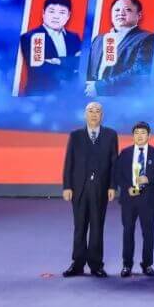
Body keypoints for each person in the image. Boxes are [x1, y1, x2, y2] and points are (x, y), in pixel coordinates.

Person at [61, 102, 118, 278]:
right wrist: (67, 186)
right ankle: (77, 264)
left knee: (97, 227)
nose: (94, 114)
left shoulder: (110, 135)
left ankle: (96, 264)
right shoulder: (75, 136)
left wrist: (112, 186)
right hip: (79, 188)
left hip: (100, 188)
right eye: (91, 111)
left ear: (102, 115)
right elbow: (69, 162)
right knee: (79, 227)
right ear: (85, 114)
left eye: (97, 111)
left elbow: (114, 164)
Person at [112, 121, 154, 277]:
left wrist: (148, 179)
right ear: (133, 136)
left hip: (148, 200)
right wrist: (127, 187)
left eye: (143, 133)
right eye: (136, 133)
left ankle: (147, 265)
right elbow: (118, 174)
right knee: (128, 231)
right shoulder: (125, 153)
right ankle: (126, 265)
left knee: (148, 233)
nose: (140, 136)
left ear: (149, 135)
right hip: (129, 199)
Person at [86, 0, 154, 97]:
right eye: (117, 10)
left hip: (124, 98)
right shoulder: (98, 39)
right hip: (91, 96)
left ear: (139, 15)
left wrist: (100, 86)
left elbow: (140, 71)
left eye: (128, 10)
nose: (121, 13)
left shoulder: (147, 38)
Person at [19, 0, 83, 96]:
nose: (56, 17)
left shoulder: (73, 37)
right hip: (40, 95)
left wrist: (58, 61)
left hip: (68, 96)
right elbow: (39, 69)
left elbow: (81, 62)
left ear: (68, 16)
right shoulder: (31, 37)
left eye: (62, 12)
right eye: (51, 11)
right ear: (43, 13)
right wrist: (70, 67)